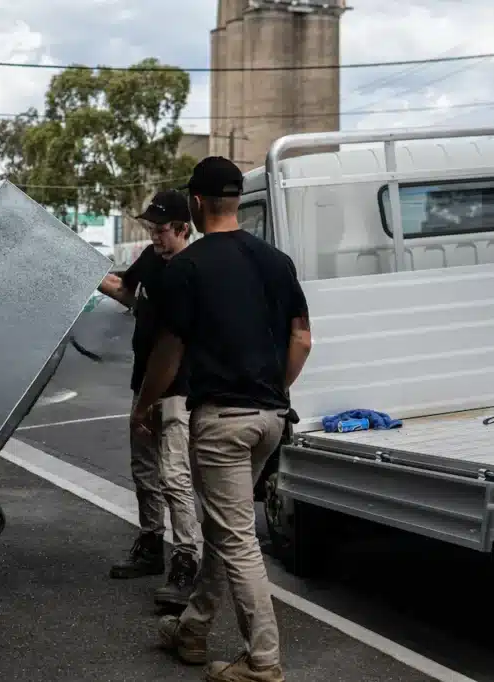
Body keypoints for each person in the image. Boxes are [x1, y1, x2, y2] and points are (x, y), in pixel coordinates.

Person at [131, 157, 313, 682]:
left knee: (236, 538)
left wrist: (145, 403)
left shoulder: (188, 269)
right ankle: (192, 629)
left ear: (196, 203)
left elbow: (169, 349)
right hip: (271, 417)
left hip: (221, 423)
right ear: (234, 200)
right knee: (223, 525)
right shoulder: (278, 262)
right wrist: (276, 390)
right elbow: (302, 338)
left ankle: (263, 660)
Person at [96, 189, 201, 608]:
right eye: (151, 229)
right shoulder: (151, 261)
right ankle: (150, 544)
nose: (154, 237)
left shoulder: (195, 269)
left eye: (160, 231)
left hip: (178, 389)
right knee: (145, 470)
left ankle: (186, 560)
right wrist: (81, 274)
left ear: (183, 228)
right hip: (144, 383)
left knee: (175, 475)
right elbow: (126, 291)